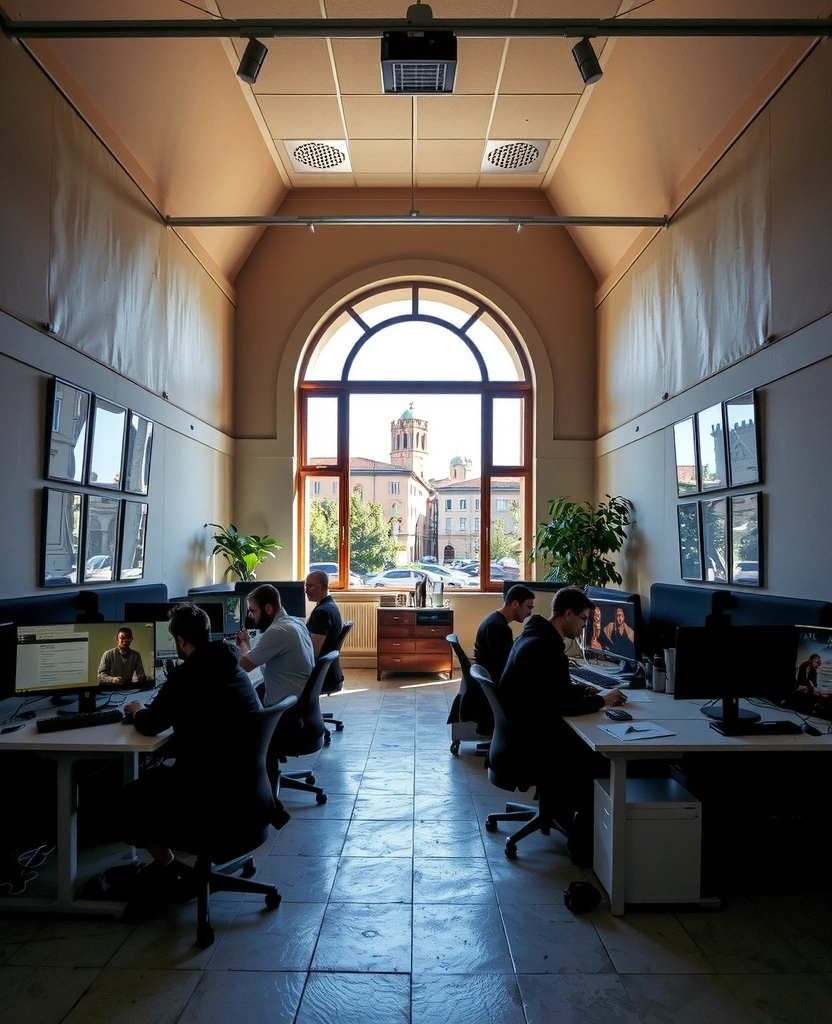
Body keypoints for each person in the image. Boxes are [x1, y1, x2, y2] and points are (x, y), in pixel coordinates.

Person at [119, 604, 268, 909]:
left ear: (181, 641)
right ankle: (169, 867)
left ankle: (170, 868)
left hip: (209, 795)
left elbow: (151, 724)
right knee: (156, 779)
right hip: (248, 793)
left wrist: (137, 711)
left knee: (129, 797)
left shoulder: (188, 675)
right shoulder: (232, 665)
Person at [498, 587, 627, 864]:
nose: (584, 628)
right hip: (533, 745)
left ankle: (563, 808)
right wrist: (602, 701)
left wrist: (584, 693)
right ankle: (585, 845)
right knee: (603, 759)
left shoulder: (534, 635)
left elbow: (550, 691)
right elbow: (561, 705)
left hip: (522, 735)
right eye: (582, 619)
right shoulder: (547, 648)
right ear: (567, 614)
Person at [236, 584, 314, 706]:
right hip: (298, 698)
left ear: (268, 609)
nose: (251, 616)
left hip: (282, 708)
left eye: (253, 610)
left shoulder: (278, 631)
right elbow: (257, 657)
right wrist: (246, 644)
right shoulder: (297, 622)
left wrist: (242, 644)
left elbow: (245, 665)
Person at [473, 584, 536, 685]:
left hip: (487, 681)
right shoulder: (500, 628)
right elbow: (508, 667)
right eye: (528, 607)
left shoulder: (494, 619)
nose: (530, 613)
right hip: (496, 685)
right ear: (515, 604)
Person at [305, 570, 344, 687]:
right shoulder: (330, 605)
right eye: (305, 586)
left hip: (323, 677)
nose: (306, 590)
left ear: (324, 586)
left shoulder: (322, 612)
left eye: (310, 586)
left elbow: (313, 653)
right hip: (331, 672)